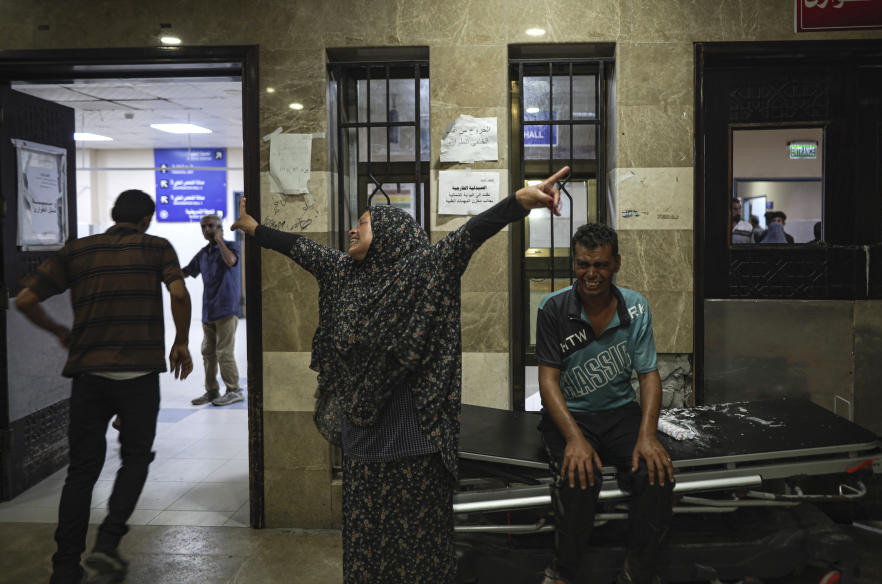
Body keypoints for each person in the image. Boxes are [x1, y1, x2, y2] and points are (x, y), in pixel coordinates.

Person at [230, 166, 571, 584]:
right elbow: (299, 246)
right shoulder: (342, 273)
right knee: (366, 545)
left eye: (363, 223)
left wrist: (517, 203)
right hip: (361, 445)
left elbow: (470, 235)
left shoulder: (422, 273)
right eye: (355, 223)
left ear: (390, 233)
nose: (353, 231)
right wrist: (252, 228)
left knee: (418, 551)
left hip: (413, 446)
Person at [14, 190, 193, 584]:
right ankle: (108, 542)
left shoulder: (77, 251)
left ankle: (64, 566)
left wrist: (60, 331)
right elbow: (178, 292)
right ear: (147, 218)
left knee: (81, 471)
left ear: (114, 216)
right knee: (135, 458)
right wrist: (181, 342)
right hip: (139, 376)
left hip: (89, 375)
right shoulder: (157, 247)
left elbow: (25, 299)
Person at [536, 223, 674, 584]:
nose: (591, 274)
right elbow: (548, 379)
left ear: (616, 264)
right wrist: (574, 440)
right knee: (579, 478)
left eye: (600, 265)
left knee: (655, 475)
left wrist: (647, 436)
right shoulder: (552, 309)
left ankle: (637, 569)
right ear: (574, 263)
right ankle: (564, 571)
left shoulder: (636, 307)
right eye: (583, 264)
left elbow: (648, 375)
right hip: (570, 416)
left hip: (618, 414)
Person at [183, 213, 244, 406]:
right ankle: (212, 391)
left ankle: (234, 390)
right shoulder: (203, 254)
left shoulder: (232, 246)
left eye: (210, 226)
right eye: (203, 227)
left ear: (219, 228)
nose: (206, 230)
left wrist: (220, 241)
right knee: (207, 352)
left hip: (227, 309)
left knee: (224, 352)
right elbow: (186, 271)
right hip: (208, 310)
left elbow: (231, 261)